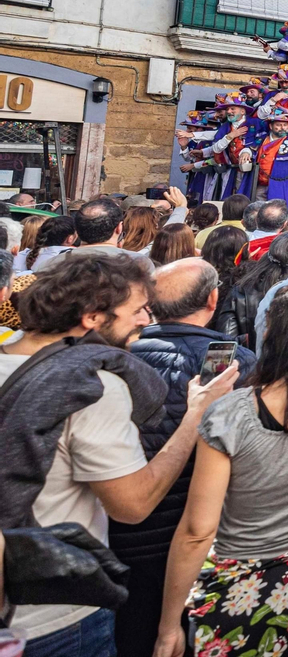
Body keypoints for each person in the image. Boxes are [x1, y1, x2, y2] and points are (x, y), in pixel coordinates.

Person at [0, 250, 241, 655]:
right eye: (138, 311)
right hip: (55, 612)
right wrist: (194, 415)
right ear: (93, 317)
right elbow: (132, 505)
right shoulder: (93, 385)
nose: (147, 321)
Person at [155, 280, 288, 657]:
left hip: (239, 573)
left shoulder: (231, 415)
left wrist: (167, 627)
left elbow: (197, 531)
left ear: (274, 334)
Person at [106, 257, 258, 657]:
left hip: (120, 531)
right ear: (213, 299)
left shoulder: (118, 354)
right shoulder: (229, 361)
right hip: (196, 530)